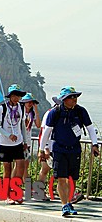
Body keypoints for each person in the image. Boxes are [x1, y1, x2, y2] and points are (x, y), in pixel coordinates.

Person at [39, 86, 99, 216]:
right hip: (59, 149)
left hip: (75, 149)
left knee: (72, 178)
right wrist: (42, 149)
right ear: (64, 99)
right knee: (61, 178)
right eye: (72, 97)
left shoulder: (80, 111)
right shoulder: (55, 112)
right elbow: (46, 132)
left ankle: (69, 202)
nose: (74, 99)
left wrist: (95, 144)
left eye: (76, 97)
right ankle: (64, 204)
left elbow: (90, 128)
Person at [0, 84, 27, 204]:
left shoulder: (21, 108)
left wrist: (25, 141)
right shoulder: (2, 108)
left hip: (17, 143)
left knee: (20, 166)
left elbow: (22, 125)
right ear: (10, 96)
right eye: (14, 95)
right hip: (5, 143)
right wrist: (8, 135)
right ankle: (7, 194)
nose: (16, 98)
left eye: (18, 95)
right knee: (7, 170)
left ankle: (16, 191)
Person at [18, 93, 41, 181]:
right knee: (20, 164)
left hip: (27, 141)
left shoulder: (32, 114)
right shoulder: (20, 112)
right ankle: (20, 182)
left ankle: (24, 182)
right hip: (20, 140)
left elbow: (38, 125)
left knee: (26, 164)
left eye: (31, 102)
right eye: (28, 102)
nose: (30, 104)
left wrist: (36, 111)